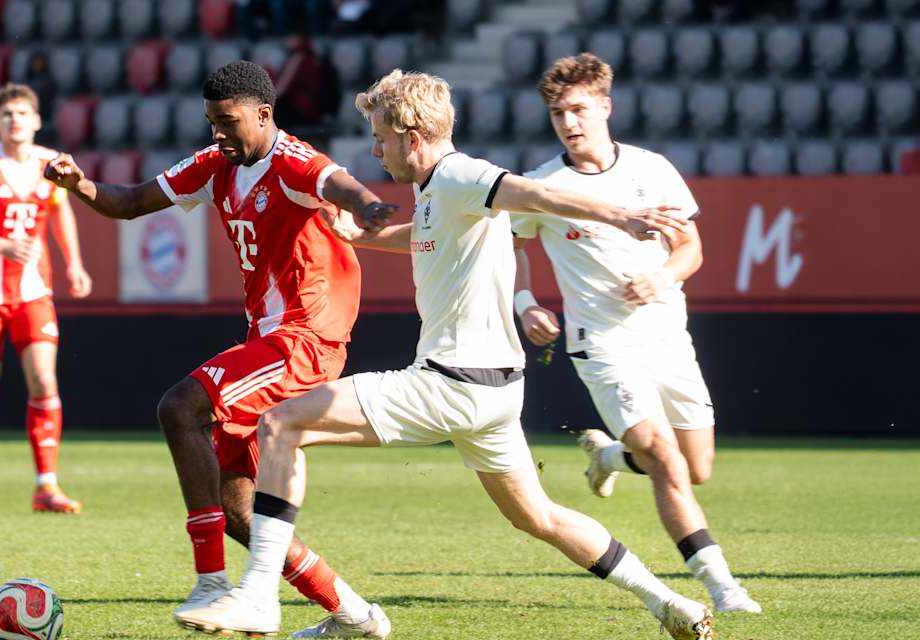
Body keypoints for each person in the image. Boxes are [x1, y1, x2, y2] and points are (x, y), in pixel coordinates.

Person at [174, 69, 716, 640]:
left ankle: (259, 596)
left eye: (381, 139)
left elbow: (535, 195)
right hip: (495, 395)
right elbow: (425, 235)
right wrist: (361, 237)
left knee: (281, 423)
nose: (376, 152)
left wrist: (621, 216)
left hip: (450, 382)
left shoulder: (461, 174)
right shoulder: (438, 191)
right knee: (540, 517)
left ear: (413, 139)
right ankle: (668, 602)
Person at [43, 61, 397, 637]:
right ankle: (353, 613)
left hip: (305, 339)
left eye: (228, 122)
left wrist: (364, 205)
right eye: (212, 121)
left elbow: (336, 182)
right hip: (268, 341)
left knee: (179, 407)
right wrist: (79, 184)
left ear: (264, 114)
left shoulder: (292, 161)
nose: (218, 133)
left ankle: (211, 582)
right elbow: (129, 202)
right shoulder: (215, 165)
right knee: (238, 510)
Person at [511, 53, 761, 614]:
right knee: (666, 460)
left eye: (578, 109)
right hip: (600, 343)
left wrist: (662, 277)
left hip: (667, 336)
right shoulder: (543, 185)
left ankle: (609, 457)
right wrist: (525, 303)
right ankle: (723, 586)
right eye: (557, 113)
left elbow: (690, 248)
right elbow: (512, 246)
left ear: (605, 107)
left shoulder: (652, 169)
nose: (569, 122)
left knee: (697, 467)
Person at [0, 83, 93, 516]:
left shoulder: (50, 164)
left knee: (44, 380)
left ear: (37, 120)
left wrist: (74, 264)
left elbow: (60, 208)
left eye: (23, 113)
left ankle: (46, 486)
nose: (15, 120)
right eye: (7, 114)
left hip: (33, 291)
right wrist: (0, 245)